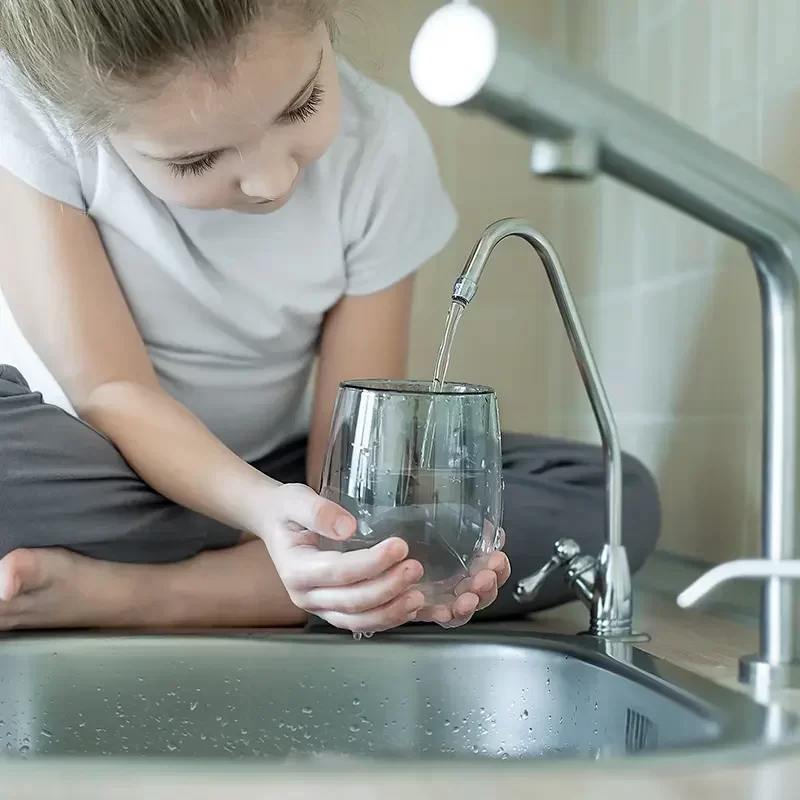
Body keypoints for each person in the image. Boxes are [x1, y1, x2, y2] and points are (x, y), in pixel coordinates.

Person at [0, 0, 660, 633]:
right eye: (196, 160)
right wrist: (266, 512)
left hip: (287, 476)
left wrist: (328, 526)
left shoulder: (383, 149)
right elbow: (113, 390)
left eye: (302, 105)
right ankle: (286, 584)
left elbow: (355, 470)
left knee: (611, 496)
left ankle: (137, 595)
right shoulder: (31, 110)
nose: (270, 182)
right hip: (93, 458)